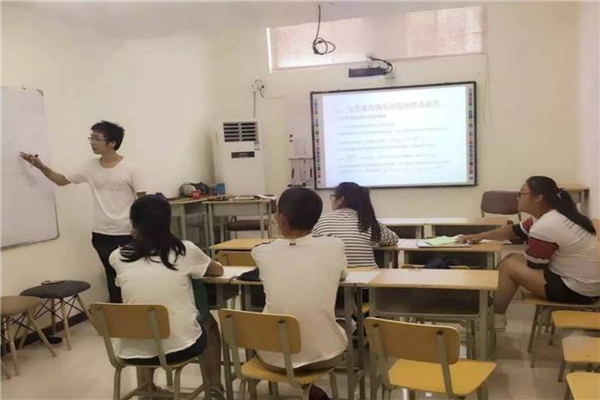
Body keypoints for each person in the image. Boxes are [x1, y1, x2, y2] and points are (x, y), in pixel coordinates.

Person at [109, 195, 224, 398]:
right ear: (168, 221)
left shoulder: (117, 256)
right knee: (210, 325)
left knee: (144, 322)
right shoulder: (184, 250)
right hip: (179, 348)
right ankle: (214, 387)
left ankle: (146, 388)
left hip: (130, 352)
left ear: (133, 224)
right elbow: (217, 271)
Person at [20, 121, 144, 303]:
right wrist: (40, 166)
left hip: (128, 232)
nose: (92, 142)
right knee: (111, 275)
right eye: (91, 138)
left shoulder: (131, 168)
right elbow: (61, 181)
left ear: (112, 143)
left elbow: (143, 200)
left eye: (97, 138)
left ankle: (138, 311)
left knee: (131, 275)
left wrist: (140, 228)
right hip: (101, 233)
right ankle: (119, 314)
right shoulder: (89, 166)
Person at [457, 176, 599, 330]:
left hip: (579, 291)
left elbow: (535, 265)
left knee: (508, 266)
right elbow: (513, 231)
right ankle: (495, 315)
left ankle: (494, 319)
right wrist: (478, 236)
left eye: (522, 193)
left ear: (538, 198)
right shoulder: (553, 215)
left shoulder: (545, 226)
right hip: (586, 284)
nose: (517, 197)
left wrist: (524, 255)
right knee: (511, 259)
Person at [251, 188, 348, 400]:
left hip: (272, 356)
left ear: (282, 219)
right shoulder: (334, 246)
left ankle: (309, 390)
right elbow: (342, 275)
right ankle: (310, 390)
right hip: (325, 356)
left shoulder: (260, 252)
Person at [313, 182, 398, 267]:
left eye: (333, 197)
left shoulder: (321, 220)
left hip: (334, 273)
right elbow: (393, 239)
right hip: (368, 274)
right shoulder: (367, 221)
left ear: (341, 199)